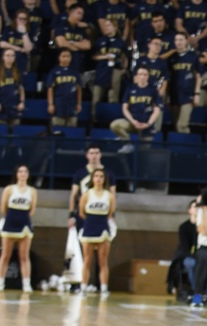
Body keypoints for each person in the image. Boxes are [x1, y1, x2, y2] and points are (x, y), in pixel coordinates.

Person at [0, 164, 36, 293]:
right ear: (16, 174)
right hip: (10, 223)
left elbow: (32, 210)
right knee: (5, 255)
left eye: (25, 171)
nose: (23, 174)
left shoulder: (32, 191)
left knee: (24, 256)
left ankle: (26, 284)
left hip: (24, 223)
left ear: (28, 174)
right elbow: (3, 208)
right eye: (20, 171)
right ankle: (0, 283)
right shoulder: (9, 189)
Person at [78, 168, 117, 296]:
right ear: (92, 178)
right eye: (96, 176)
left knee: (103, 261)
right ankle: (83, 287)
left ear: (104, 179)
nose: (99, 179)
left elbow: (110, 213)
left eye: (101, 176)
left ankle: (104, 288)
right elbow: (81, 213)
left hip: (103, 227)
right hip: (89, 227)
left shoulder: (109, 196)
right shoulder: (86, 194)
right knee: (87, 260)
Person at [111, 66, 163, 153]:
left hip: (146, 125)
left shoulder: (153, 90)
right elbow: (124, 108)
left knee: (143, 152)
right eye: (140, 74)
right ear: (136, 76)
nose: (142, 76)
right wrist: (133, 121)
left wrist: (148, 123)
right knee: (115, 125)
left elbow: (157, 109)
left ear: (148, 76)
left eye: (145, 74)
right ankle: (127, 143)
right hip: (133, 123)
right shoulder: (130, 89)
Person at [46, 48, 82, 128]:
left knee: (72, 131)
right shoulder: (54, 72)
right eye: (63, 56)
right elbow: (50, 88)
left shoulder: (75, 72)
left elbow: (79, 88)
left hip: (72, 104)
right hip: (59, 104)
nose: (66, 58)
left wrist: (79, 103)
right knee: (58, 130)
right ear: (59, 57)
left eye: (68, 56)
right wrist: (51, 104)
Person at [0, 48, 23, 126]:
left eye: (12, 56)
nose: (10, 58)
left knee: (15, 132)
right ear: (3, 57)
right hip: (2, 105)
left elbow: (21, 88)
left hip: (14, 106)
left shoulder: (18, 72)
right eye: (7, 55)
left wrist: (22, 102)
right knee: (0, 131)